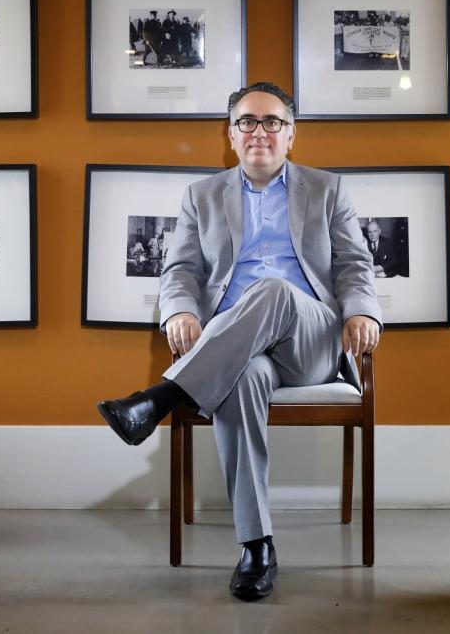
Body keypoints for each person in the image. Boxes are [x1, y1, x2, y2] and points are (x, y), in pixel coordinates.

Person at [97, 81, 381, 601]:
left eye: (272, 122)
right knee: (242, 378)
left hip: (310, 340)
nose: (259, 132)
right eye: (247, 122)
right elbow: (179, 269)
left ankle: (161, 397)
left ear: (291, 136)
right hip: (239, 348)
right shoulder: (200, 196)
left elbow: (356, 265)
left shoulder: (328, 189)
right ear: (230, 135)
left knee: (272, 289)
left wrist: (363, 312)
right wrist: (180, 309)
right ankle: (257, 547)